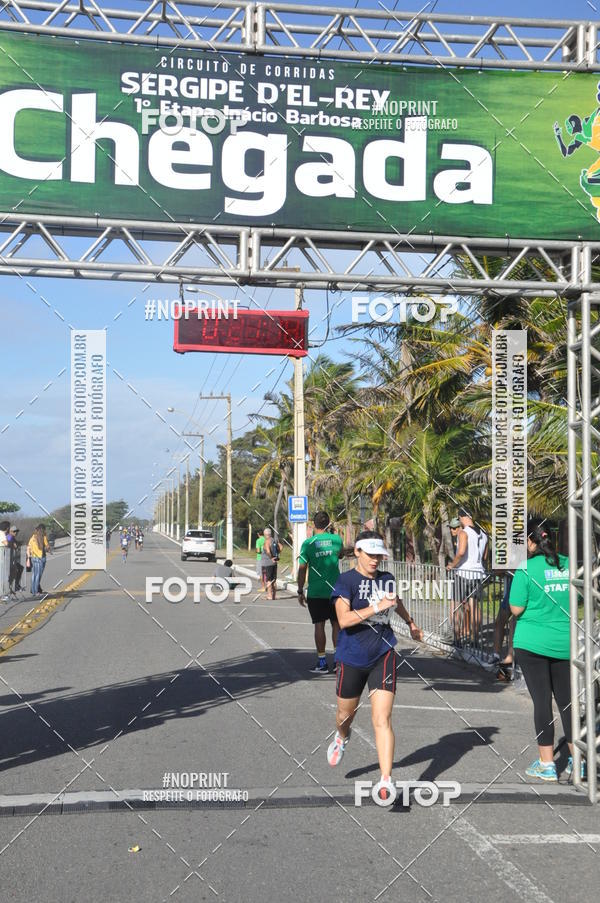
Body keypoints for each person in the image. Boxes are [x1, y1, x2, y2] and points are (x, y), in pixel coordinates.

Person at [327, 531, 423, 801]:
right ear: (357, 552)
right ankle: (341, 737)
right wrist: (375, 607)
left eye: (379, 555)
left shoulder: (386, 579)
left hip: (384, 652)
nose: (375, 560)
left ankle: (385, 780)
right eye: (370, 554)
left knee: (382, 718)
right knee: (345, 716)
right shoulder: (346, 581)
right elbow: (343, 620)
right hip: (351, 656)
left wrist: (411, 622)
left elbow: (396, 602)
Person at [509, 520, 580, 782]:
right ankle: (578, 761)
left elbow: (516, 609)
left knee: (542, 702)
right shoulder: (570, 564)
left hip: (532, 643)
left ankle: (547, 763)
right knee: (567, 703)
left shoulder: (526, 569)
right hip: (565, 643)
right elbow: (580, 598)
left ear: (530, 541)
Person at [297, 512, 351, 675]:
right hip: (336, 590)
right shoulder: (336, 540)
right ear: (328, 524)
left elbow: (302, 569)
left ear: (314, 524)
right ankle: (337, 662)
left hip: (316, 591)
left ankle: (321, 662)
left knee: (319, 625)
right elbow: (341, 554)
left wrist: (300, 590)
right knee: (337, 625)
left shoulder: (307, 544)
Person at [447, 509, 487, 643]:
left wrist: (452, 565)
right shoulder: (484, 534)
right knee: (474, 607)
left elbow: (461, 552)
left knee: (455, 605)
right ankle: (475, 639)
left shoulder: (464, 533)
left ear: (461, 517)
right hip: (478, 574)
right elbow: (485, 556)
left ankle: (457, 639)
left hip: (464, 573)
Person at [27, 524, 50, 595]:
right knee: (38, 575)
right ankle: (36, 590)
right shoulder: (43, 537)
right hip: (41, 558)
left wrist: (28, 558)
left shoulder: (33, 537)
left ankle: (33, 590)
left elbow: (29, 547)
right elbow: (47, 547)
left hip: (34, 557)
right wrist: (48, 548)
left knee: (34, 574)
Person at [260, 528, 278, 600]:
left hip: (267, 563)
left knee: (268, 580)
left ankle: (269, 595)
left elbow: (267, 551)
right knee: (274, 580)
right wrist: (275, 557)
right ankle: (274, 596)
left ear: (265, 534)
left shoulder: (267, 541)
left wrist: (271, 558)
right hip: (274, 563)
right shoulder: (274, 540)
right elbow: (280, 547)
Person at [6, 526, 23, 593]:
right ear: (10, 531)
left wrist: (19, 543)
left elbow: (16, 544)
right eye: (14, 531)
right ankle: (12, 587)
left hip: (12, 558)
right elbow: (9, 545)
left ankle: (14, 586)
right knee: (12, 572)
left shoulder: (12, 537)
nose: (16, 533)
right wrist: (14, 545)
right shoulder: (9, 537)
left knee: (18, 569)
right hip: (8, 558)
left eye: (17, 531)